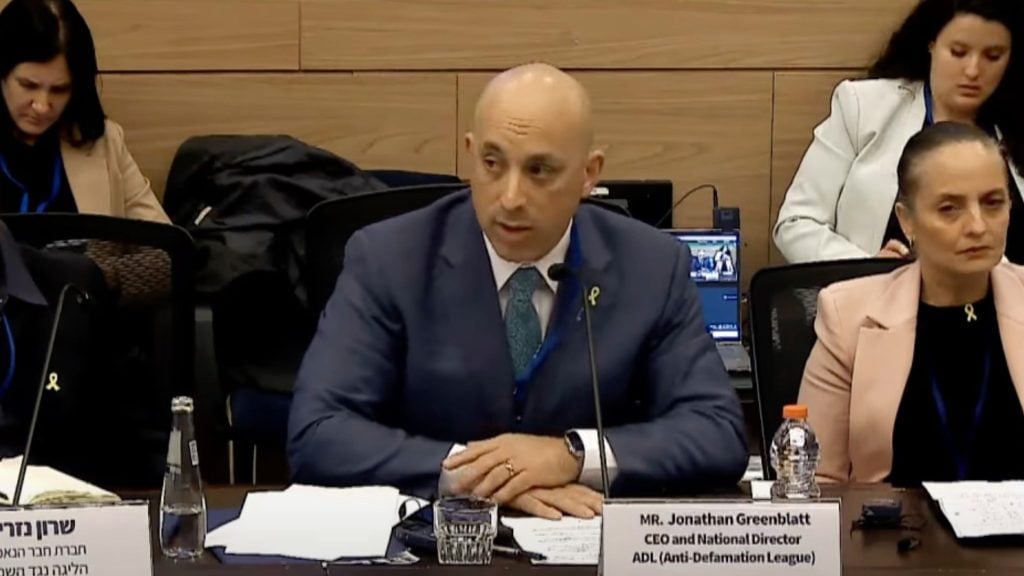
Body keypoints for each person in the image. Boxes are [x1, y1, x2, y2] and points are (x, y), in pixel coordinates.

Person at [288, 63, 747, 518]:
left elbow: (717, 432)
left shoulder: (651, 266)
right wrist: (478, 477)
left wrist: (571, 456)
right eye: (492, 163)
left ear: (589, 173)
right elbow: (319, 430)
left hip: (585, 542)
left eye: (539, 170)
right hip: (433, 547)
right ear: (470, 154)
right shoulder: (390, 258)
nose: (510, 196)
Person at [798, 122, 1024, 485]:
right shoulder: (848, 317)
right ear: (907, 221)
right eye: (950, 209)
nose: (978, 226)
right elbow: (817, 482)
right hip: (893, 537)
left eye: (993, 203)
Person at [774, 0, 1023, 264]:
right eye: (959, 52)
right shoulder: (864, 107)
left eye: (993, 56)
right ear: (931, 44)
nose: (973, 70)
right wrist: (867, 270)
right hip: (874, 300)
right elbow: (796, 224)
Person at [0, 0, 168, 222]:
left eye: (59, 90)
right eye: (29, 85)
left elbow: (160, 243)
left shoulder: (103, 141)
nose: (42, 105)